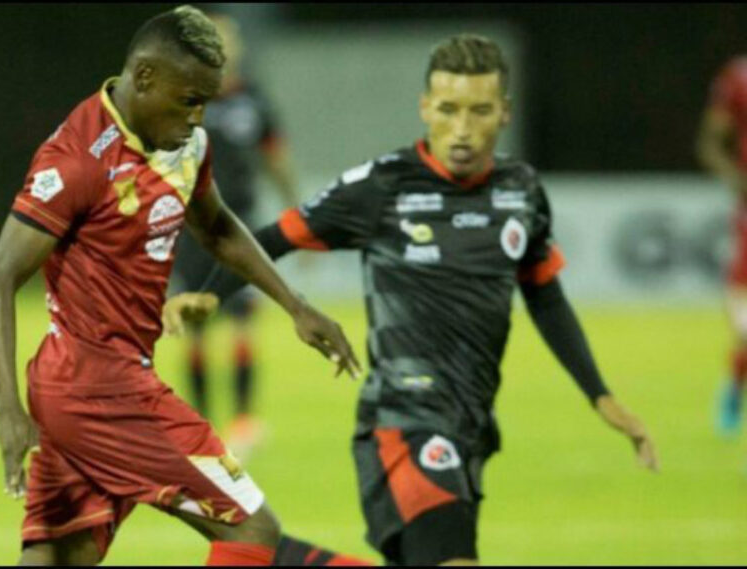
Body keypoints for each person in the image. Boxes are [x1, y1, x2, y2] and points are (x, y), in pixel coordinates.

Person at [179, 34, 659, 566]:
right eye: (448, 109)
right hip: (402, 423)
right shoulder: (383, 185)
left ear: (504, 113)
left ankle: (268, 559)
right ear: (426, 107)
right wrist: (208, 295)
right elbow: (274, 238)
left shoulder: (520, 190)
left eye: (479, 111)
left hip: (471, 426)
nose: (462, 127)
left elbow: (545, 296)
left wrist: (601, 396)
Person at [0, 5, 369, 566]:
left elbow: (217, 227)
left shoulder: (185, 145)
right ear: (144, 77)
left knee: (61, 555)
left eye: (206, 101)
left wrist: (296, 305)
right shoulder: (76, 160)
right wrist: (6, 410)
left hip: (92, 386)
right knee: (252, 528)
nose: (199, 117)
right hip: (100, 391)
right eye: (189, 100)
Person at [169, 11, 301, 460]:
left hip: (240, 224)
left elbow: (276, 157)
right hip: (190, 227)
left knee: (243, 317)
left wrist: (293, 207)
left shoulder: (254, 101)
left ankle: (244, 419)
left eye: (229, 44)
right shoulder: (183, 99)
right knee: (194, 323)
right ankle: (201, 424)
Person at [697, 55, 747, 437]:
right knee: (743, 318)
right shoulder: (738, 77)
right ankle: (734, 382)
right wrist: (735, 179)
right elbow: (710, 142)